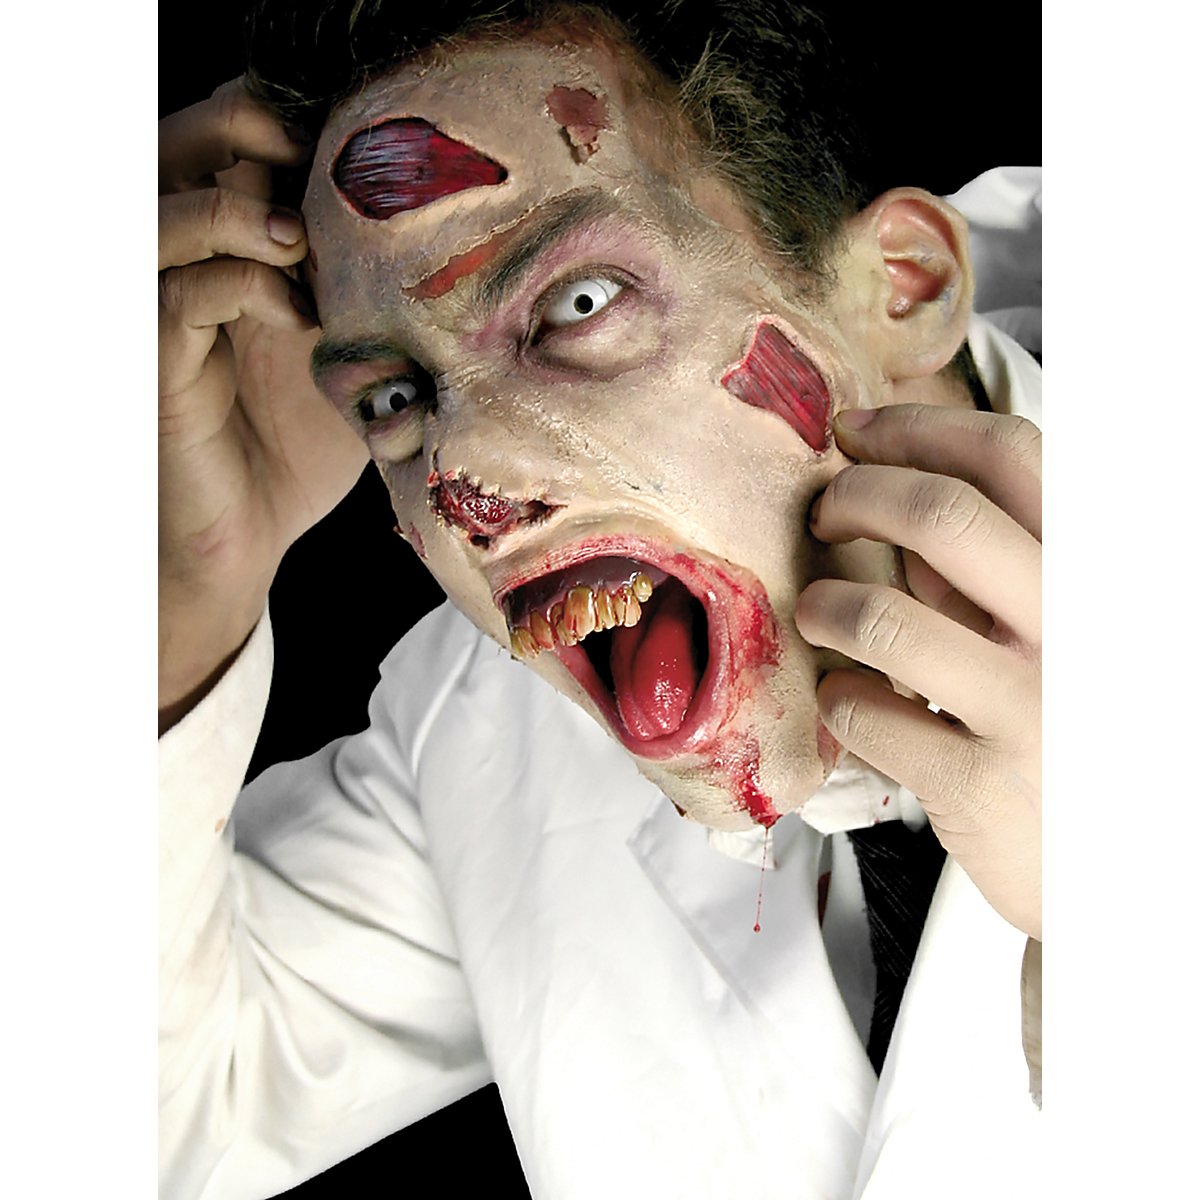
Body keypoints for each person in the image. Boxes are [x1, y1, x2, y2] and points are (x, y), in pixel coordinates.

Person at [158, 2, 1041, 1196]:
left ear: (903, 286)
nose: (467, 489)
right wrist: (182, 581)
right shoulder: (472, 727)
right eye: (396, 399)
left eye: (575, 305)